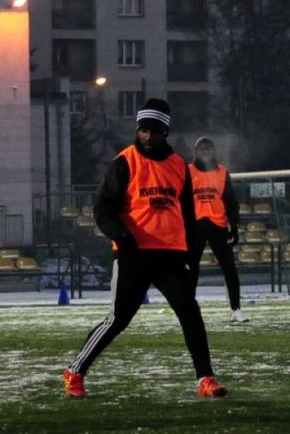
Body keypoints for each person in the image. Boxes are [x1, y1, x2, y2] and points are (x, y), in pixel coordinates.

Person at [62, 98, 227, 399]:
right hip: (134, 255)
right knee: (117, 320)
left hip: (171, 257)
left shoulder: (179, 166)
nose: (148, 136)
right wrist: (123, 238)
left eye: (154, 130)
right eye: (143, 130)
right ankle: (75, 371)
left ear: (165, 130)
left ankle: (205, 379)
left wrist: (191, 258)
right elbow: (102, 210)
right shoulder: (124, 163)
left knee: (190, 313)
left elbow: (188, 216)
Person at [186, 137, 248, 323]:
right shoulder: (187, 172)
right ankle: (188, 310)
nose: (205, 152)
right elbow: (182, 201)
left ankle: (236, 309)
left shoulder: (222, 172)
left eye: (208, 148)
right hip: (196, 225)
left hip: (218, 225)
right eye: (202, 148)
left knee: (229, 268)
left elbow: (230, 201)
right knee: (191, 269)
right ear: (196, 152)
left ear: (214, 151)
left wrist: (234, 225)